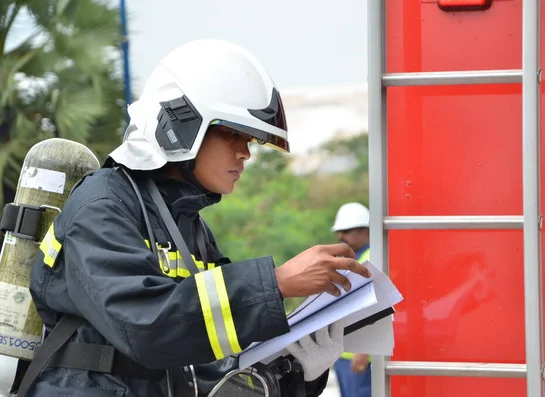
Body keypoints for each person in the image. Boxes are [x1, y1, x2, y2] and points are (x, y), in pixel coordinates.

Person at [18, 39, 371, 397]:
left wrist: (299, 372)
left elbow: (212, 360)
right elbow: (146, 328)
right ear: (180, 125)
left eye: (249, 139)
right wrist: (277, 282)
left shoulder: (189, 226)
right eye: (232, 133)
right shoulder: (102, 205)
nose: (245, 153)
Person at [330, 203, 372, 397]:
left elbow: (375, 306)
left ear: (364, 230)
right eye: (339, 231)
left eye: (346, 231)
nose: (340, 236)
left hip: (360, 354)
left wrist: (363, 351)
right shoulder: (356, 258)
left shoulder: (373, 257)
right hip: (345, 353)